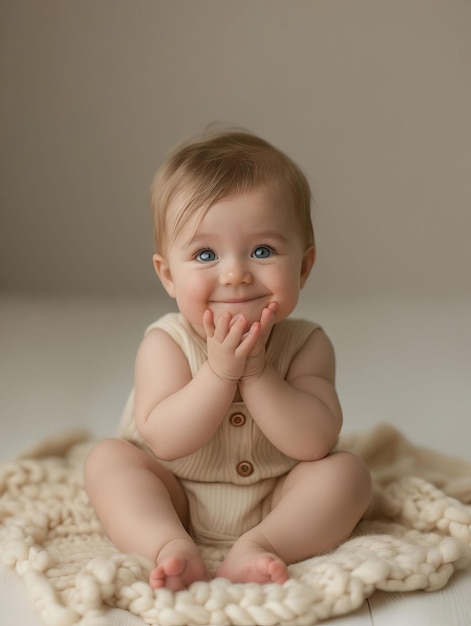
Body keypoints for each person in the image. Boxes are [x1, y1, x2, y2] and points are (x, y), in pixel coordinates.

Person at [84, 129, 372, 592]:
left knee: (349, 475)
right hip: (174, 492)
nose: (235, 273)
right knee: (108, 462)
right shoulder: (166, 342)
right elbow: (164, 440)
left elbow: (315, 441)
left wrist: (257, 374)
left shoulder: (307, 343)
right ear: (168, 276)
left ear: (303, 266)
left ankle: (262, 545)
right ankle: (167, 544)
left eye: (262, 251)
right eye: (205, 254)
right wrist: (220, 372)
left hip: (280, 495)